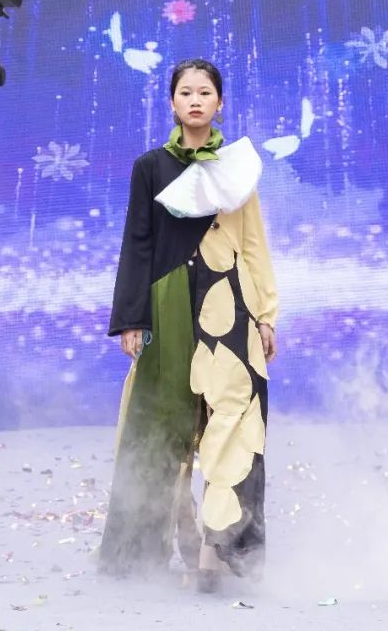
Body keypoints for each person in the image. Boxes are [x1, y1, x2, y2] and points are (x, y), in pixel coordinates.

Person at [100, 59, 279, 591]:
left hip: (231, 300)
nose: (195, 100)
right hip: (170, 301)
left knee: (233, 418)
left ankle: (216, 549)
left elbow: (253, 243)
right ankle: (174, 531)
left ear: (219, 103)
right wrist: (132, 317)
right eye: (185, 92)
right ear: (172, 103)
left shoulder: (237, 165)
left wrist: (266, 314)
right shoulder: (151, 166)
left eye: (205, 92)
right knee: (166, 421)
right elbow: (137, 243)